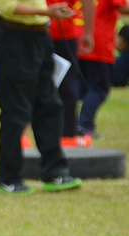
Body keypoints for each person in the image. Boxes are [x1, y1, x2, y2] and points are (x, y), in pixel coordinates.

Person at [0, 0, 83, 194]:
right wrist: (47, 12)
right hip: (14, 38)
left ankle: (55, 172)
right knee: (16, 111)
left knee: (49, 105)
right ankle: (8, 178)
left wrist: (47, 15)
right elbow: (6, 7)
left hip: (41, 37)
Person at [77, 0, 129, 138]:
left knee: (80, 87)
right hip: (99, 43)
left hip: (80, 38)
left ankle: (69, 124)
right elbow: (124, 8)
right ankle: (84, 125)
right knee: (99, 89)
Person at [47, 0, 95, 148]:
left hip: (35, 28)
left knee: (34, 82)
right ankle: (67, 136)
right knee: (67, 84)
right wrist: (88, 33)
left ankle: (25, 135)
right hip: (64, 31)